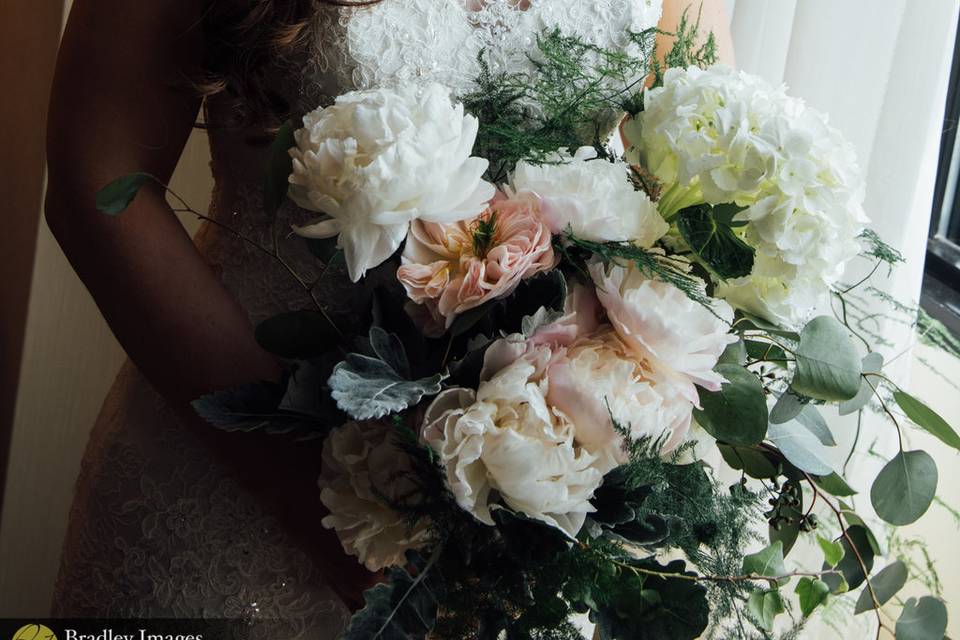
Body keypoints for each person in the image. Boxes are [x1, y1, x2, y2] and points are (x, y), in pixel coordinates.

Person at [45, 0, 733, 636]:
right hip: (235, 472)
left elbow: (710, 188)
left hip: (529, 501)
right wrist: (303, 497)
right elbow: (96, 182)